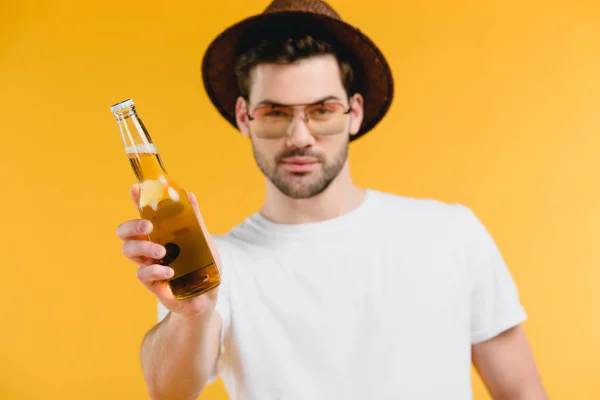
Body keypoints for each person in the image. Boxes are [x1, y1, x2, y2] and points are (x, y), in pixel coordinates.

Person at [116, 0, 549, 399]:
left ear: (353, 113)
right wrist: (192, 314)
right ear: (244, 117)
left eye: (321, 110)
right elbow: (168, 391)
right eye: (275, 113)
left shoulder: (451, 233)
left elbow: (524, 394)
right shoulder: (221, 266)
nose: (299, 137)